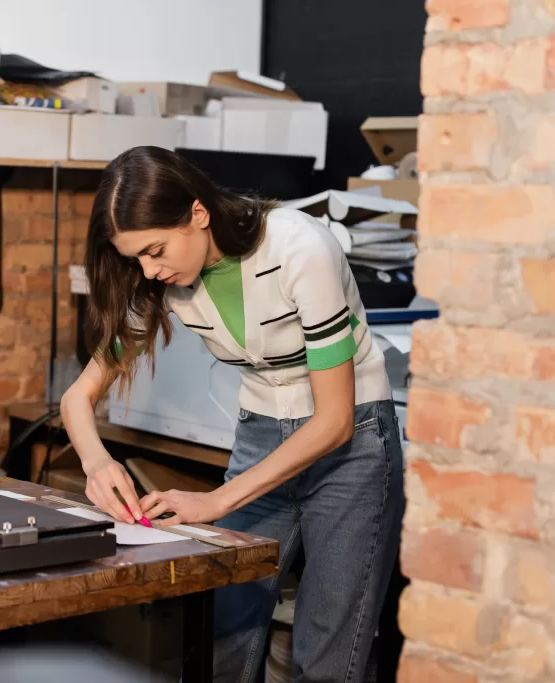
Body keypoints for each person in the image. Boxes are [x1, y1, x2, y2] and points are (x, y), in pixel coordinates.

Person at [60, 146, 404, 682]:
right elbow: (77, 397)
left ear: (198, 214)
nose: (149, 271)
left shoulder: (300, 247)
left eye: (155, 250)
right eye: (136, 259)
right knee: (224, 637)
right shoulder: (159, 280)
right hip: (262, 433)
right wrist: (97, 464)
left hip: (352, 445)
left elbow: (333, 420)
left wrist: (217, 500)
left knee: (327, 660)